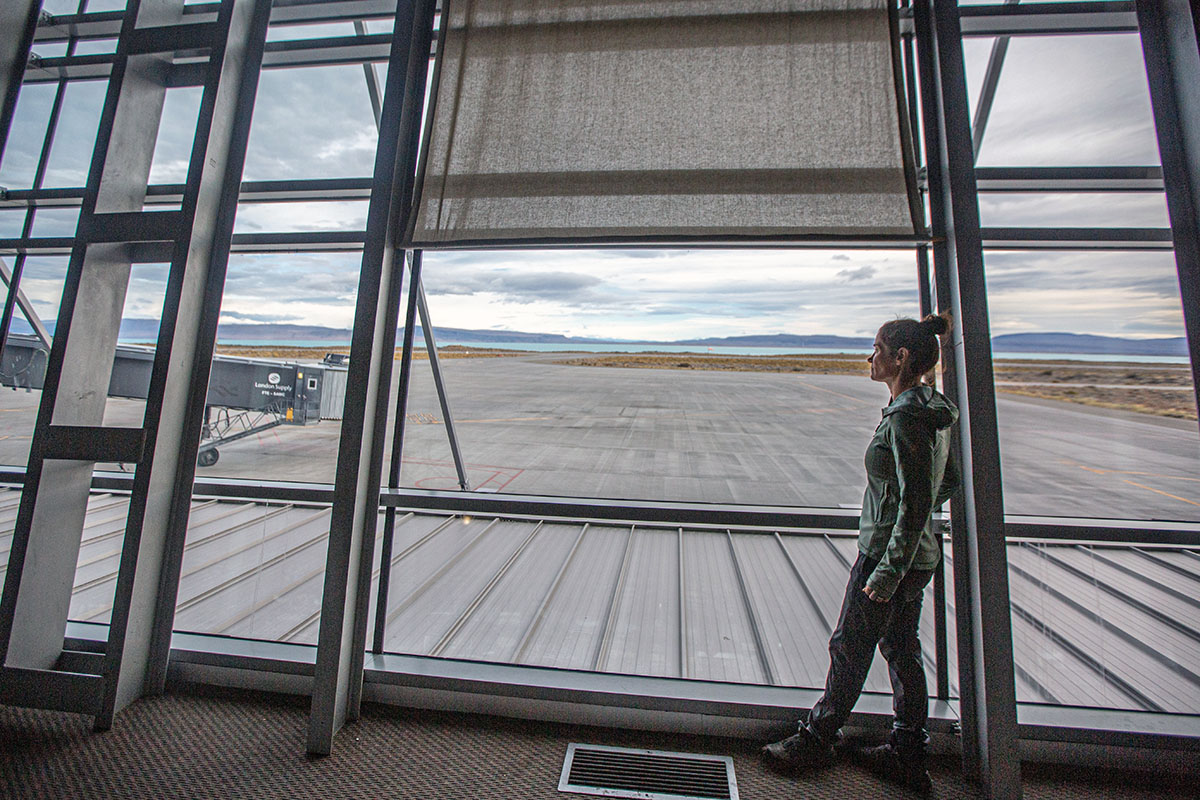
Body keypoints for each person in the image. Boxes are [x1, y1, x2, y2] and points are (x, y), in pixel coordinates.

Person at [762, 313, 960, 795]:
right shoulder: (930, 408)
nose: (869, 358)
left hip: (887, 558)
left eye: (876, 349)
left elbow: (914, 503)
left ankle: (817, 739)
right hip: (919, 558)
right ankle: (908, 753)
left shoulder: (907, 419)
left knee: (850, 649)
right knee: (902, 652)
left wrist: (887, 570)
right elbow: (945, 482)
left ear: (901, 358)